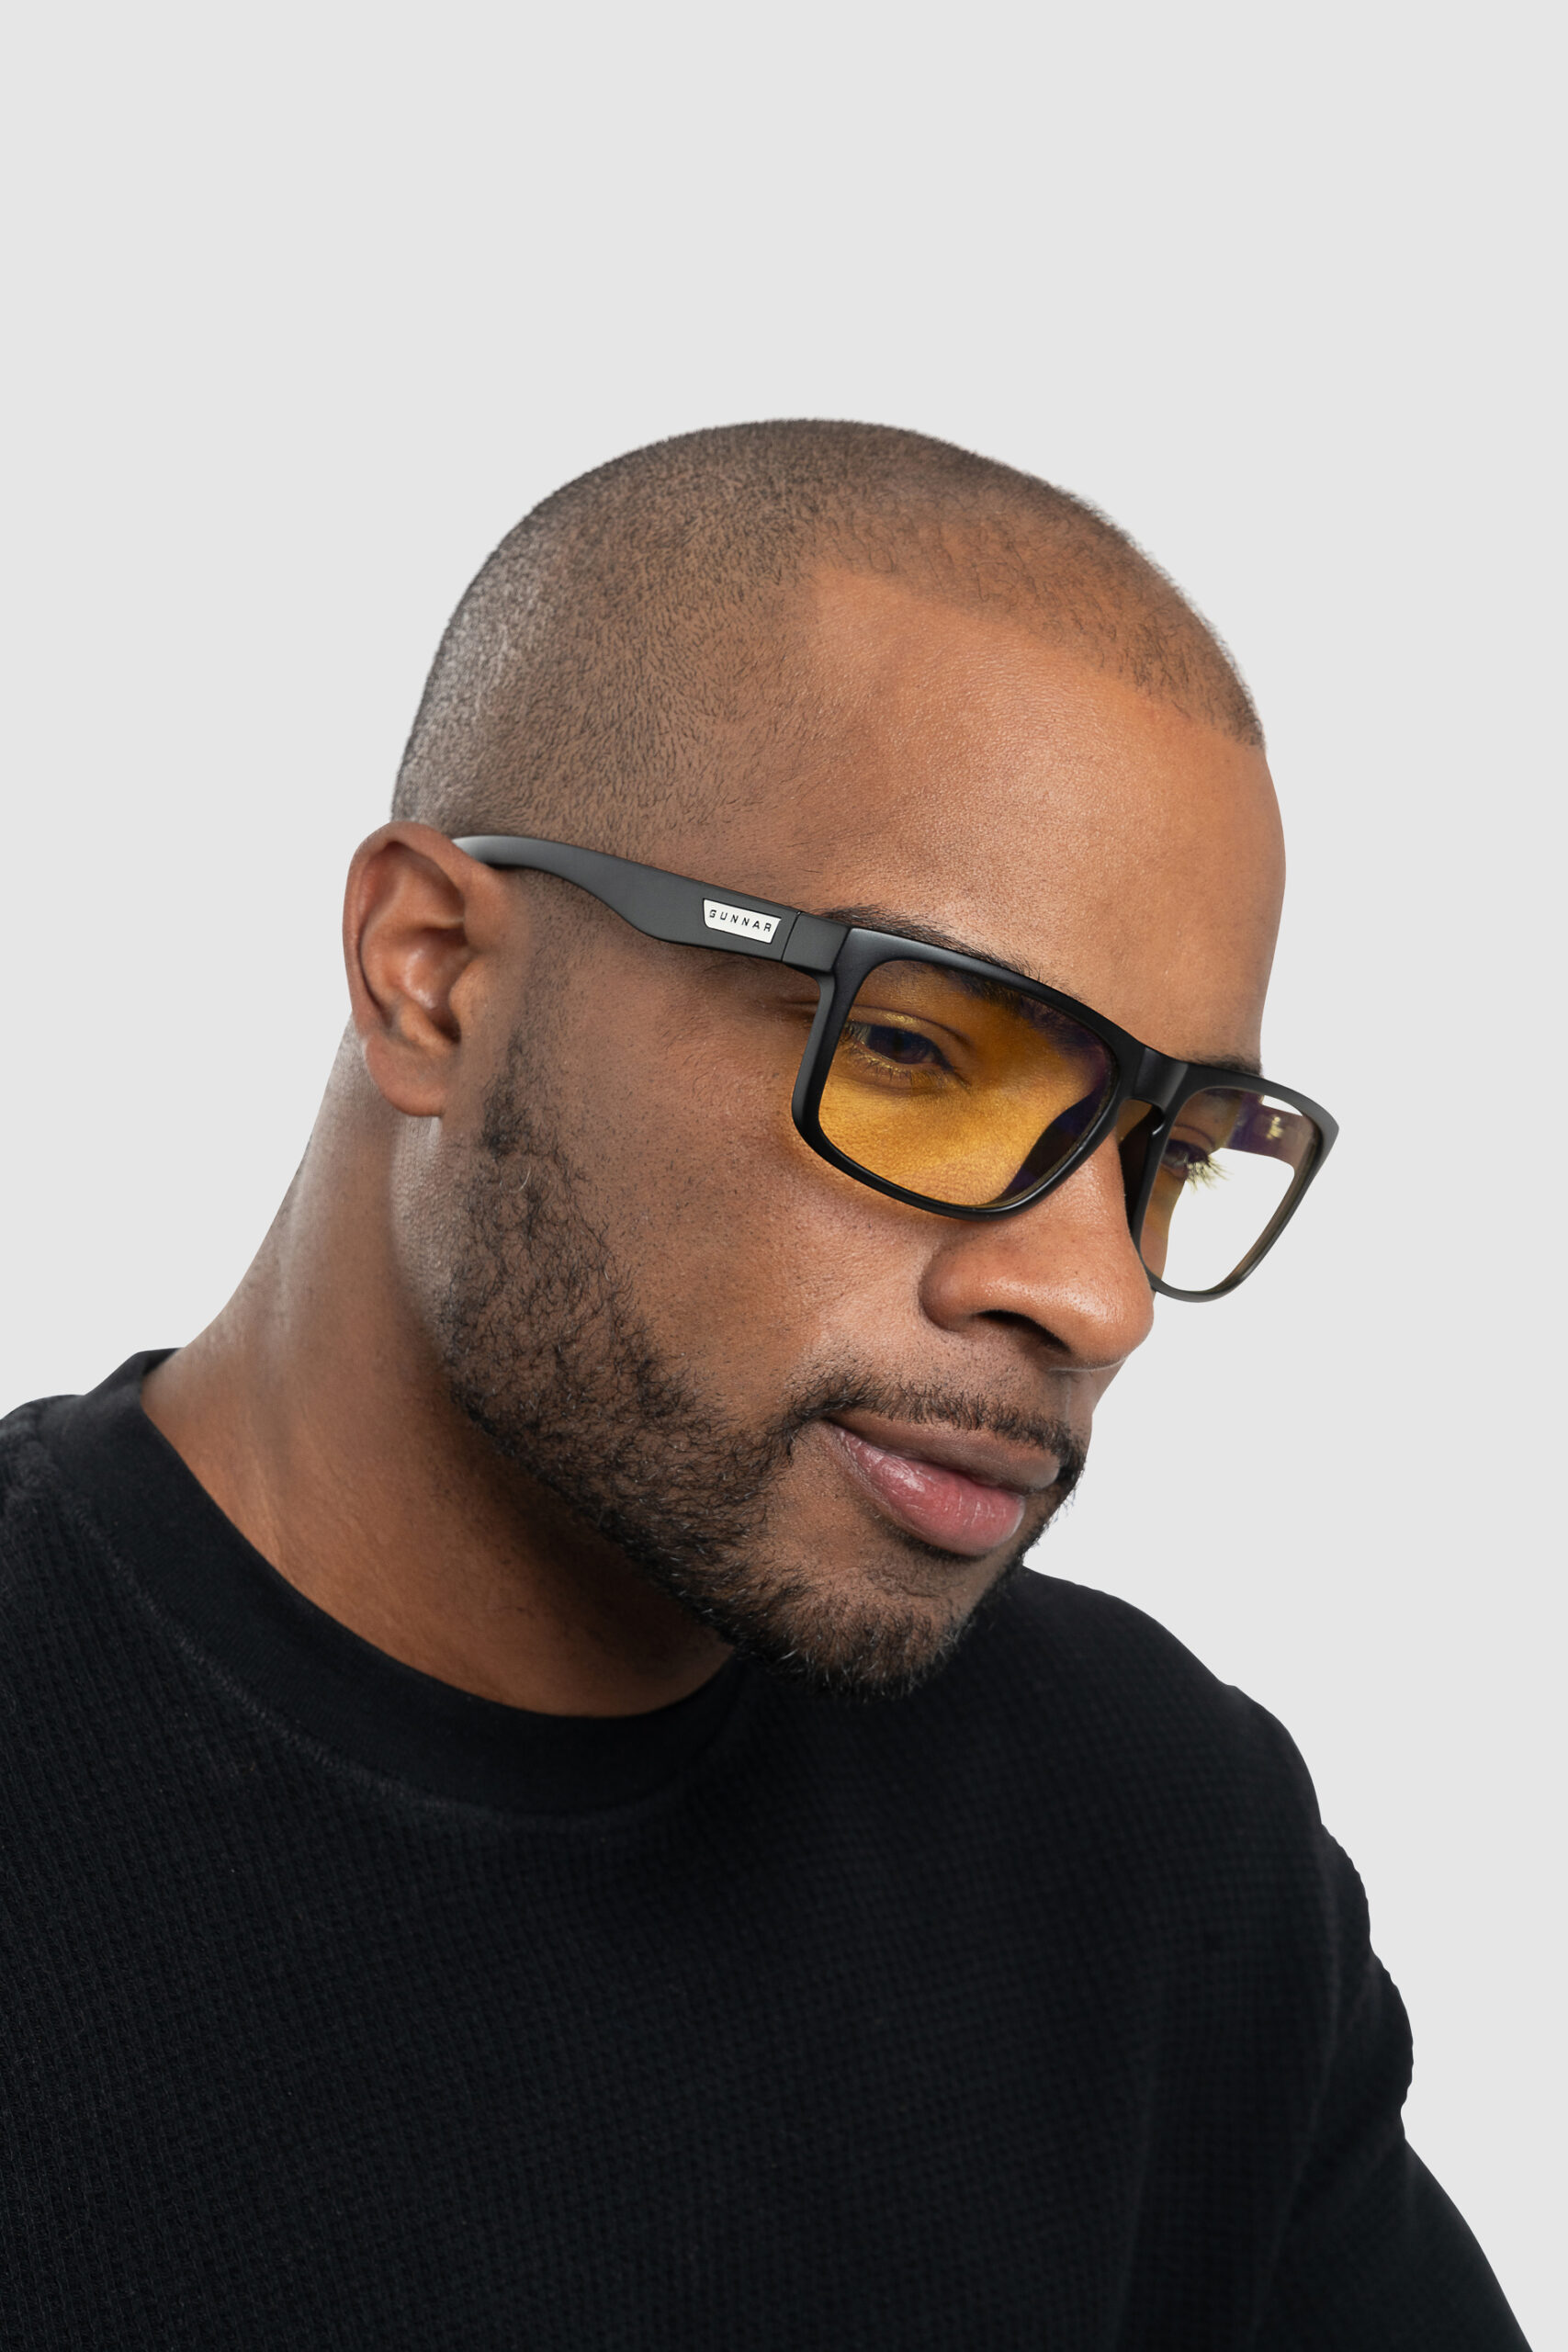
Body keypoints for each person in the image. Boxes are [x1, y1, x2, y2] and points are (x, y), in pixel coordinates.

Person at [0, 421, 1527, 2347]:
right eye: (913, 1049)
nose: (1097, 1293)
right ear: (431, 977)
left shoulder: (1156, 1846)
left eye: (1176, 1149)